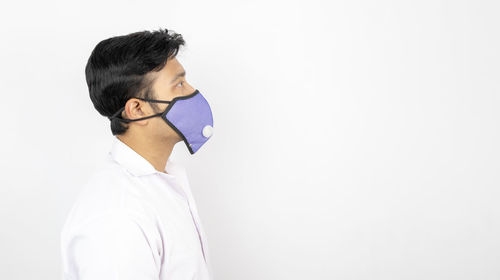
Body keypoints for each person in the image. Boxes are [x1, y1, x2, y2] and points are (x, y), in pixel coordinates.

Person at [60, 28, 215, 280]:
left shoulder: (163, 180)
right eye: (179, 84)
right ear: (137, 109)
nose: (192, 92)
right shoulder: (117, 217)